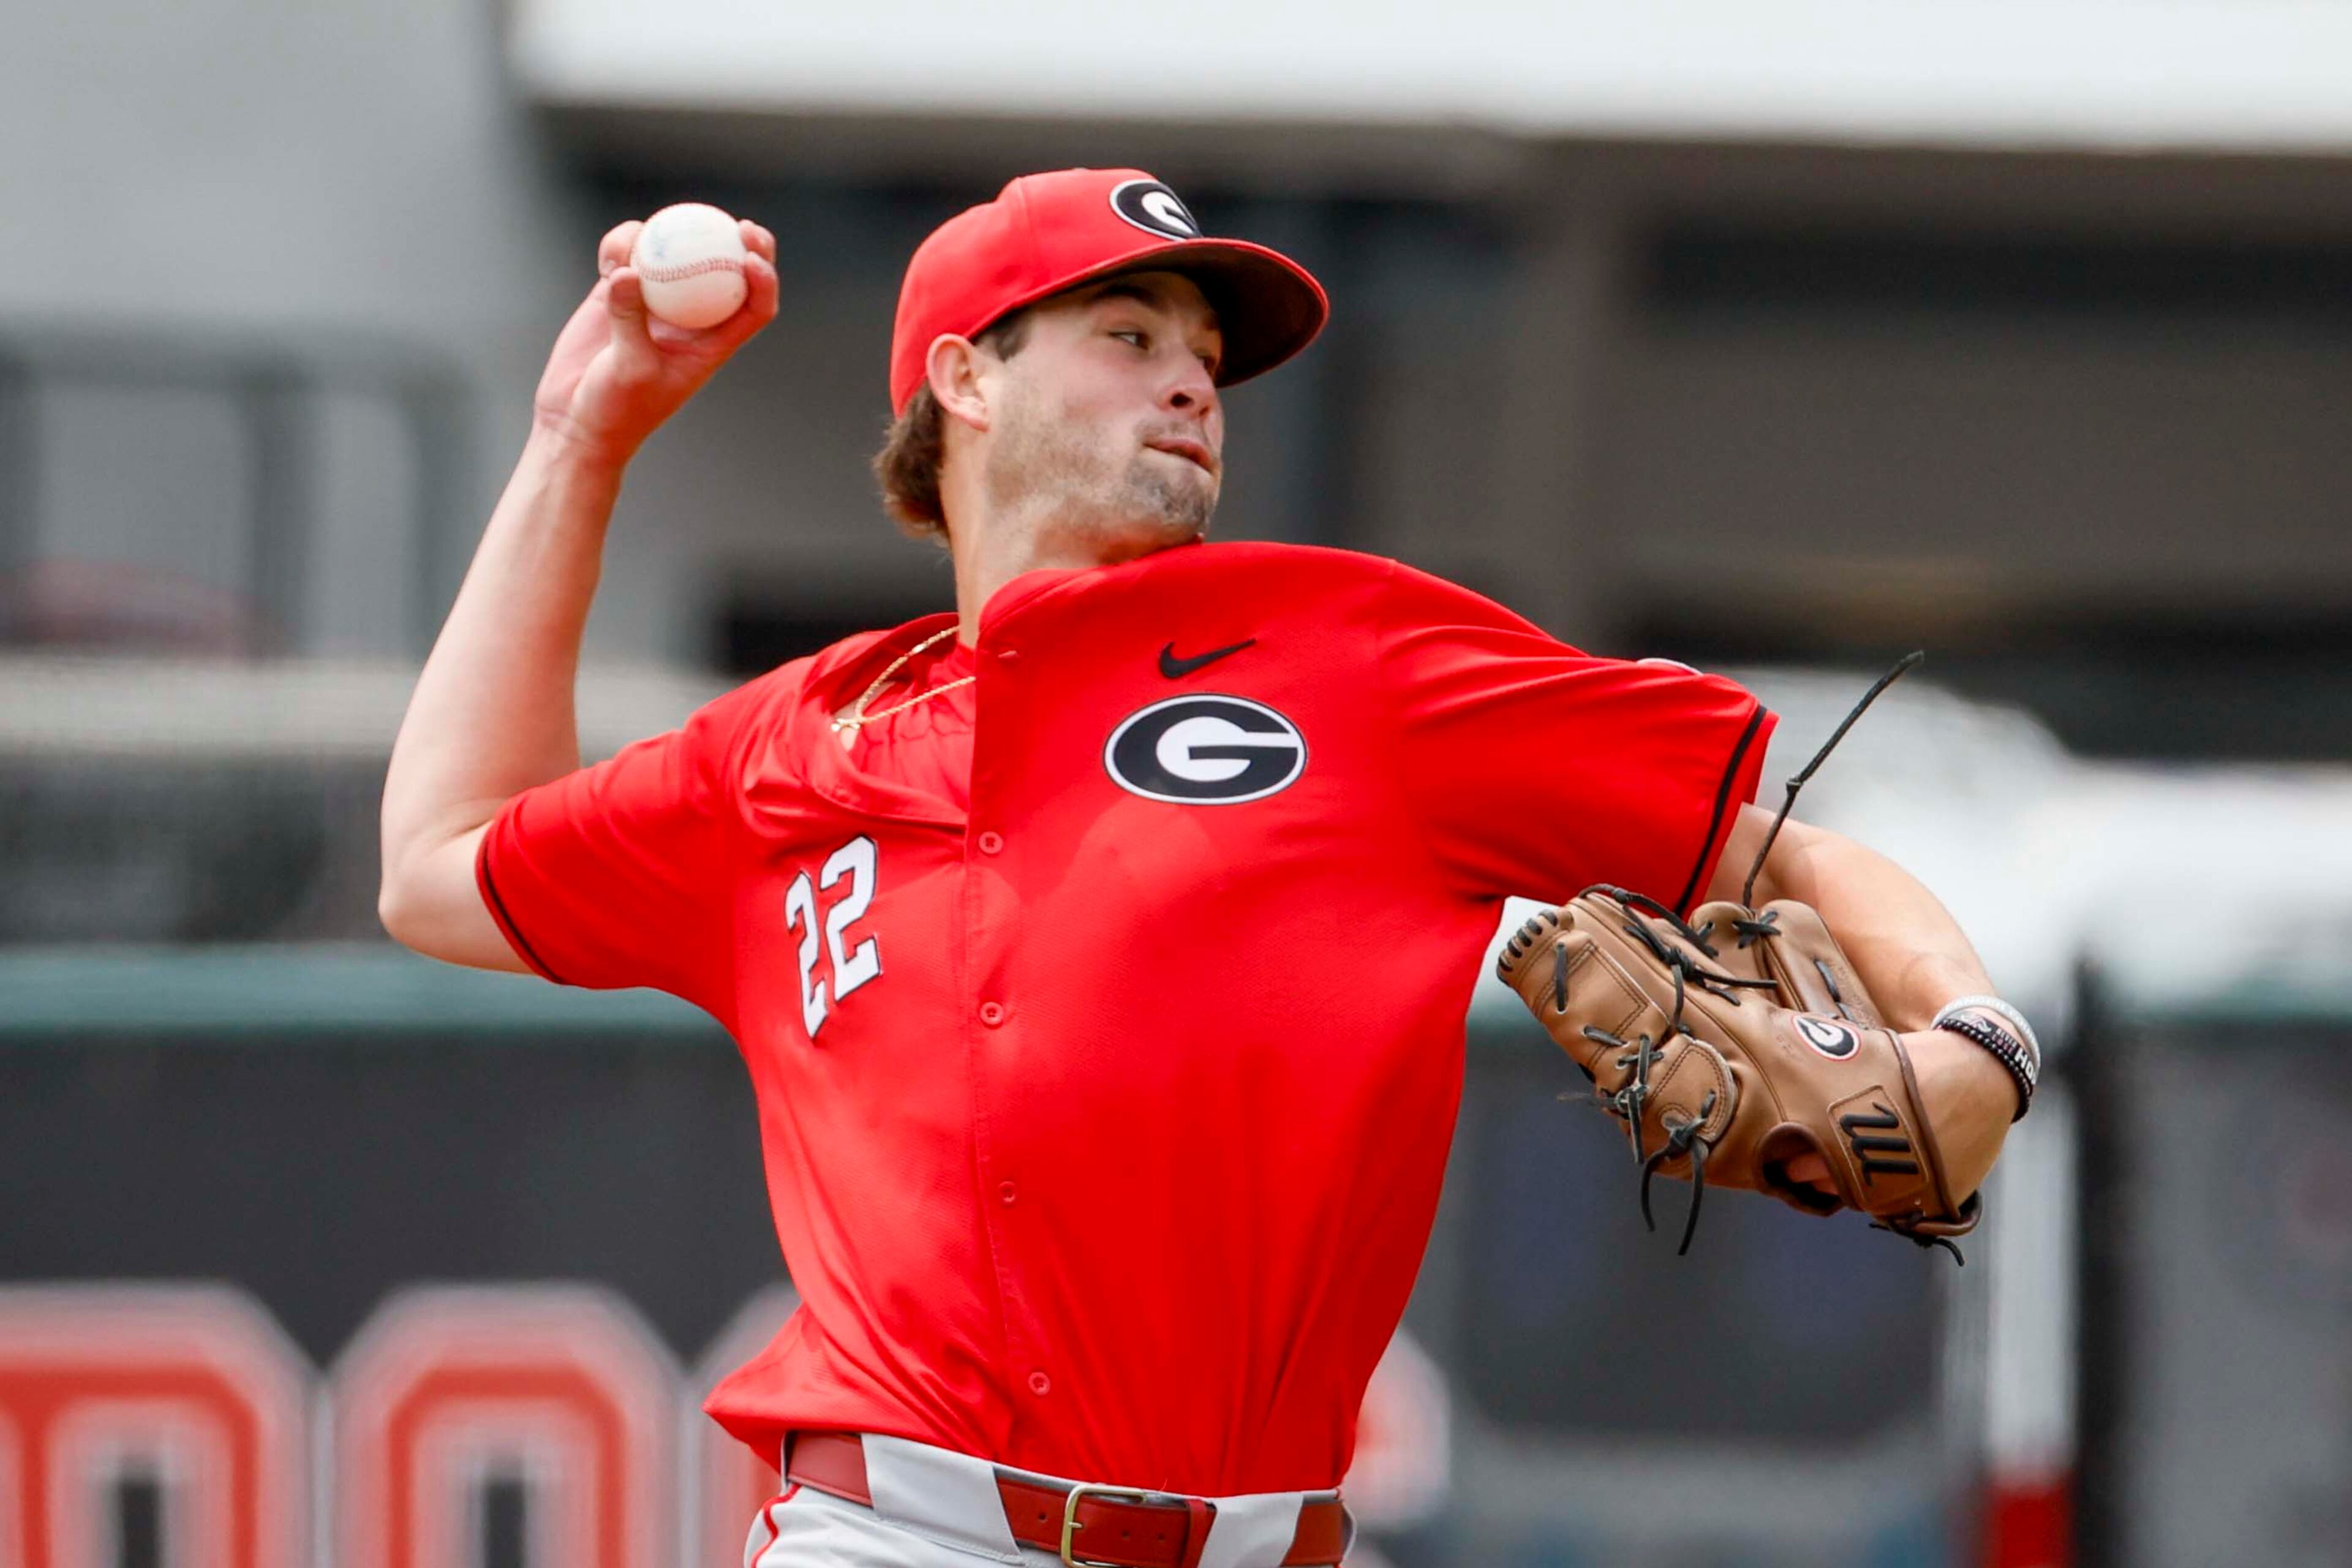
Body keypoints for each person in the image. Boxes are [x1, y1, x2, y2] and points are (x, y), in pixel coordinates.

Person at [379, 168, 2020, 1568]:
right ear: (966, 380)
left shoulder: (1352, 655)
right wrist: (580, 439)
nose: (1191, 386)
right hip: (897, 1534)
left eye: (1206, 358)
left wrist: (1980, 1045)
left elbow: (1791, 846)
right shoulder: (785, 751)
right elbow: (438, 866)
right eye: (1129, 336)